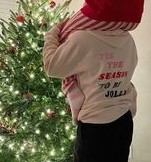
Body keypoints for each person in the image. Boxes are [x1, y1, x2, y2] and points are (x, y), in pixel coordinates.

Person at [43, 22, 137, 162]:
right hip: (123, 120)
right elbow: (131, 67)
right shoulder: (127, 39)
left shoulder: (82, 39)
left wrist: (52, 34)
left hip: (94, 124)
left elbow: (52, 66)